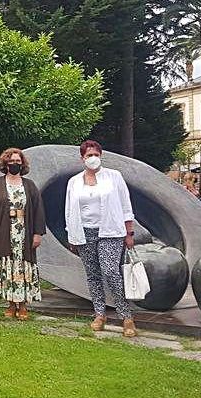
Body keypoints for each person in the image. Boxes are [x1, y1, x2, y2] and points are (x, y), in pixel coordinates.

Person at [64, 140, 137, 337]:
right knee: (93, 274)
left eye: (96, 154)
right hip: (84, 232)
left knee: (110, 271)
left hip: (110, 231)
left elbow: (125, 205)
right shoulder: (74, 182)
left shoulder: (114, 177)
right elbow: (69, 210)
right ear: (82, 158)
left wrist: (129, 232)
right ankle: (99, 313)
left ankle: (126, 315)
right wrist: (72, 235)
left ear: (101, 155)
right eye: (89, 155)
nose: (93, 158)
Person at [0, 148, 46, 320]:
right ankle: (10, 303)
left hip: (24, 231)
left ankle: (22, 305)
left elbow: (38, 210)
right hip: (2, 230)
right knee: (6, 265)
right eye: (11, 161)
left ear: (22, 164)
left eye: (18, 161)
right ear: (5, 164)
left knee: (23, 266)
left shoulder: (29, 185)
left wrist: (38, 233)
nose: (15, 164)